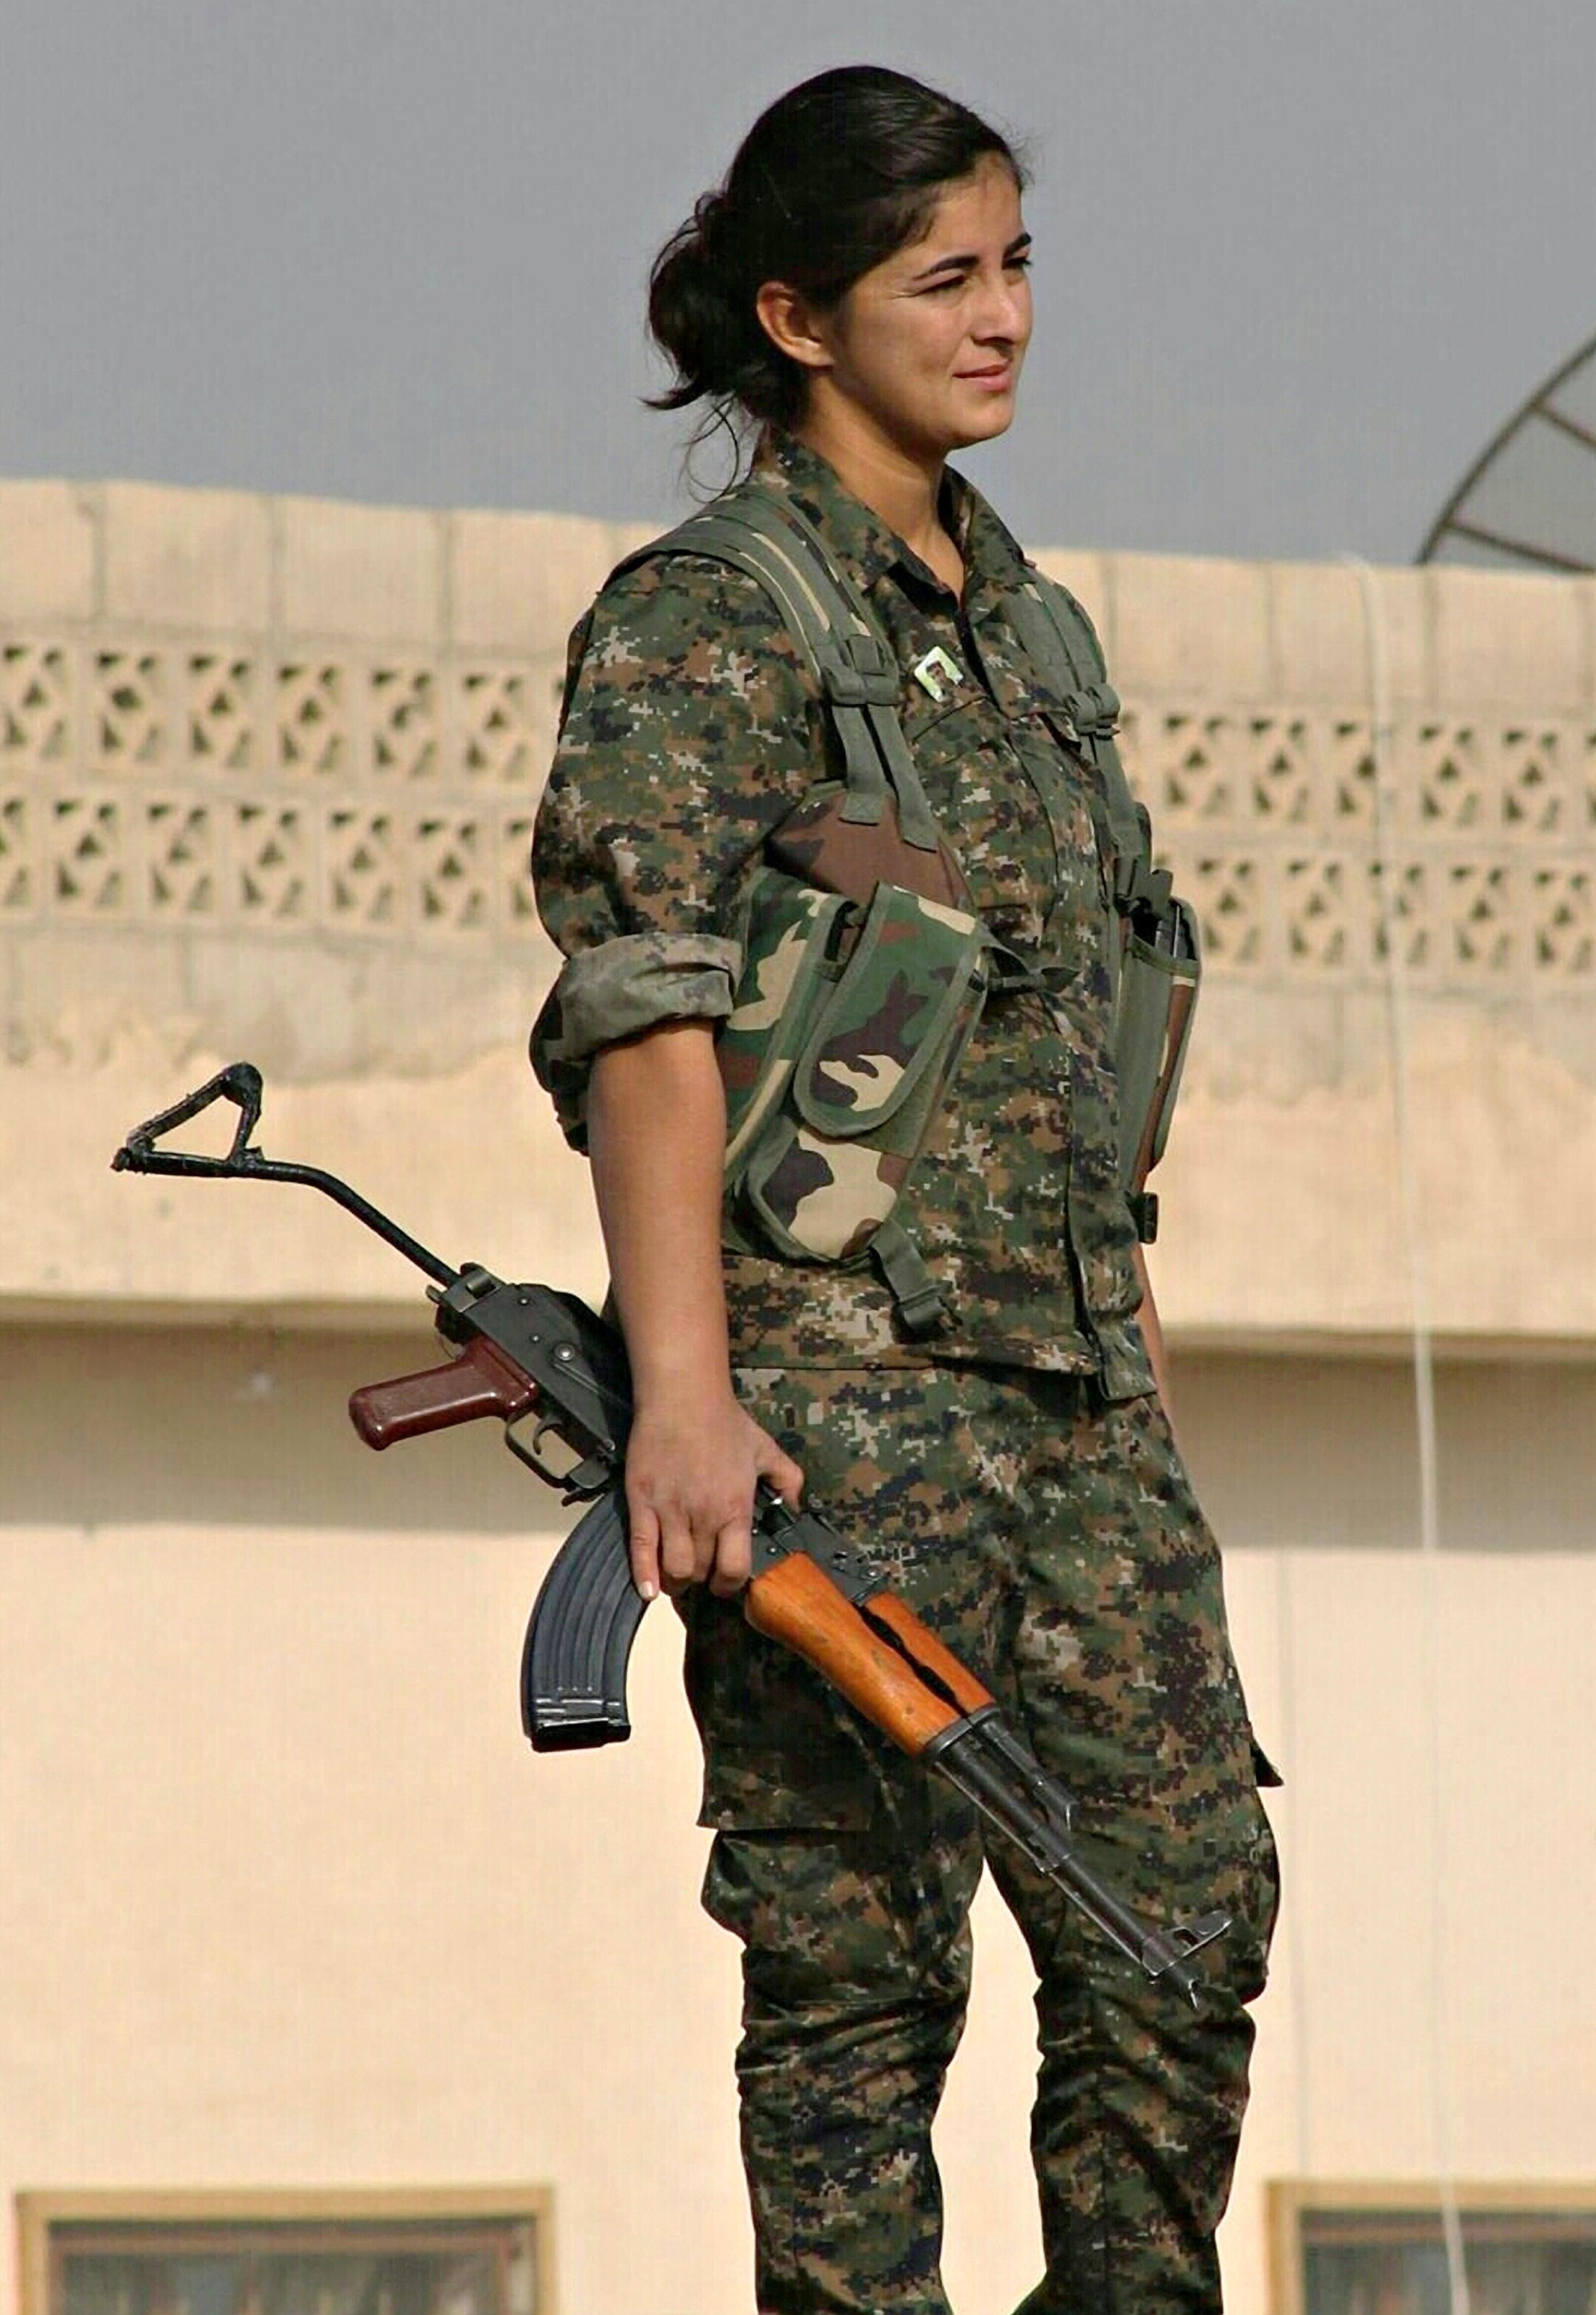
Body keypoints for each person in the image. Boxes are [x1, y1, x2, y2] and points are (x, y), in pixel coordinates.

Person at [528, 64, 1278, 2315]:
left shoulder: (1033, 636)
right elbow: (643, 1011)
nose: (1004, 318)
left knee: (1183, 1928)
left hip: (1078, 1412)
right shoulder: (715, 617)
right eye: (942, 277)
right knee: (858, 1997)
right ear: (799, 314)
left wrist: (1131, 1381)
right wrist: (682, 1392)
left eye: (1017, 263)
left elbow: (1076, 1036)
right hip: (837, 1413)